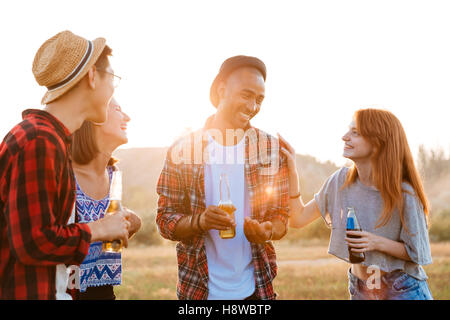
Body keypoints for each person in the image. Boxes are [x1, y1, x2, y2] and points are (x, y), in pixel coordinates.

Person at [0, 31, 131, 300]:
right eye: (113, 80)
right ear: (93, 76)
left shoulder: (49, 138)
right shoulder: (39, 140)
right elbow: (34, 243)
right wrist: (100, 228)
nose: (113, 91)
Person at [156, 55, 289, 300]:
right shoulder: (184, 149)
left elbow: (281, 216)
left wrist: (267, 231)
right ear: (221, 90)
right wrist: (200, 221)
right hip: (199, 290)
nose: (252, 107)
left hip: (256, 289)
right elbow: (165, 220)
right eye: (246, 95)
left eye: (259, 99)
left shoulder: (269, 148)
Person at [283, 108, 433, 300]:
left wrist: (375, 242)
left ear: (377, 143)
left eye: (355, 133)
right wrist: (292, 173)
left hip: (402, 289)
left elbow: (418, 253)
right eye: (348, 131)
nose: (344, 137)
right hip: (361, 290)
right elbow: (298, 218)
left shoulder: (404, 194)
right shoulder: (340, 181)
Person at [70, 98, 141, 300]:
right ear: (95, 117)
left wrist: (132, 220)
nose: (127, 117)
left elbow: (109, 221)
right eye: (118, 109)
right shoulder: (64, 175)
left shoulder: (113, 174)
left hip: (104, 293)